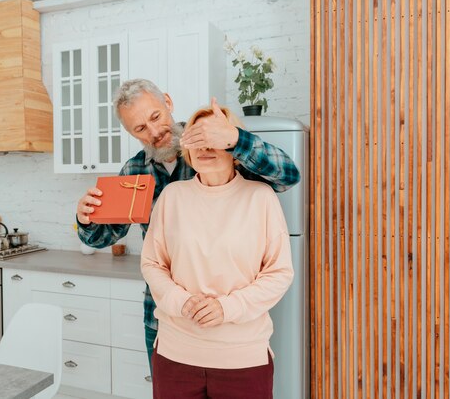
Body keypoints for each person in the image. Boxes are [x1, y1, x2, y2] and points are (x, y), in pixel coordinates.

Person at [75, 78, 299, 370]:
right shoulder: (134, 171)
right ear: (130, 132)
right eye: (140, 129)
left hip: (234, 325)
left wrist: (235, 139)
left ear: (167, 102)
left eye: (155, 117)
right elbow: (102, 237)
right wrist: (85, 218)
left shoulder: (218, 148)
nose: (154, 132)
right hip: (165, 318)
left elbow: (288, 176)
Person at [140, 106, 294, 399]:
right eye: (196, 139)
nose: (205, 147)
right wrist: (182, 302)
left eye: (214, 137)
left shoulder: (260, 197)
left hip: (243, 359)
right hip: (175, 356)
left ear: (233, 145)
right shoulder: (172, 197)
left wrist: (227, 308)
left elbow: (279, 273)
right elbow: (152, 264)